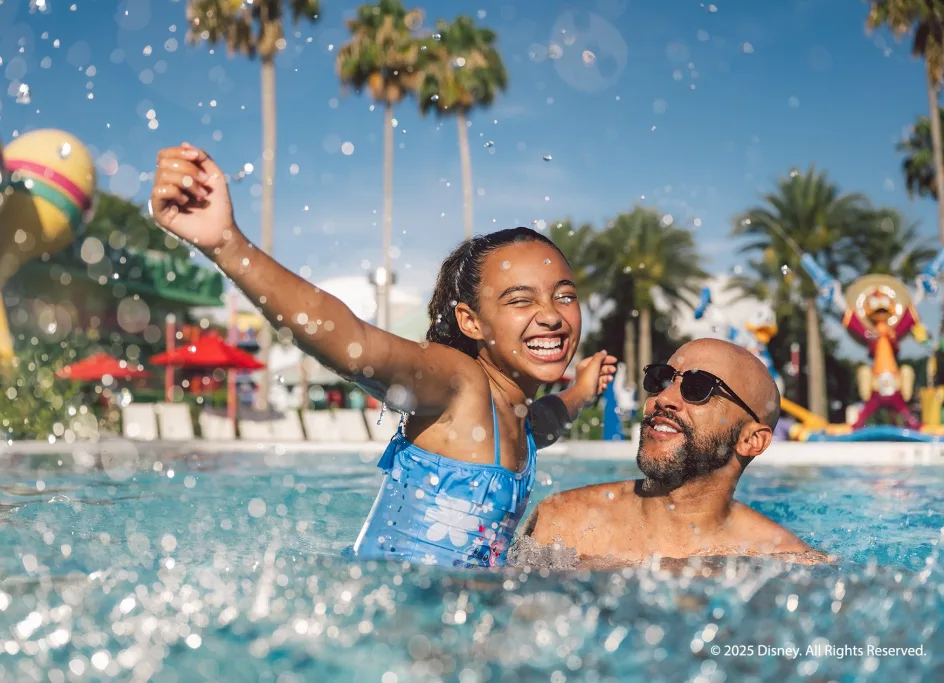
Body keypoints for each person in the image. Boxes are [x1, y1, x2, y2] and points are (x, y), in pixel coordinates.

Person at [149, 143, 617, 568]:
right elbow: (353, 344)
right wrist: (228, 243)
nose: (551, 316)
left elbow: (548, 420)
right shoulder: (461, 385)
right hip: (392, 624)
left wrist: (582, 389)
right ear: (472, 322)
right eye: (520, 300)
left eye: (564, 296)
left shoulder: (519, 420)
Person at [515, 338, 830, 568]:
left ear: (752, 440)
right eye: (661, 380)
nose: (663, 398)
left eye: (698, 388)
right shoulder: (562, 523)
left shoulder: (787, 564)